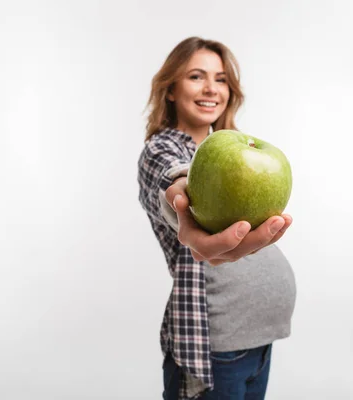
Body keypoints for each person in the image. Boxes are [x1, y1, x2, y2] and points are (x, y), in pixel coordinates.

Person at [137, 37, 297, 400]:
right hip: (213, 348)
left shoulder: (232, 148)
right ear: (172, 89)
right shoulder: (160, 149)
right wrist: (182, 200)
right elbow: (175, 182)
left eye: (221, 79)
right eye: (196, 76)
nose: (211, 88)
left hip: (259, 342)